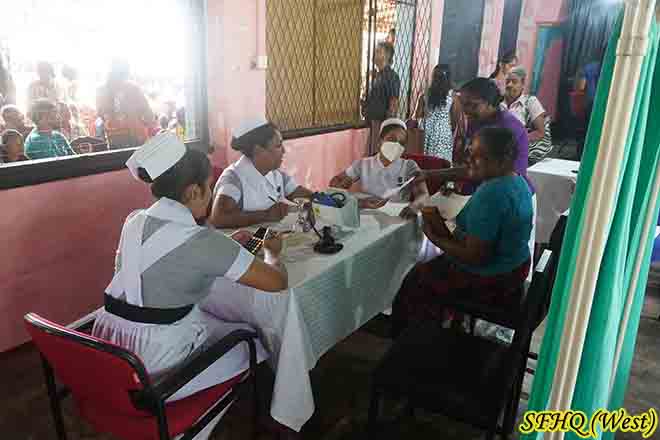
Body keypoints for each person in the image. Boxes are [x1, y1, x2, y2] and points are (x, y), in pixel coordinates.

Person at [92, 133, 285, 438]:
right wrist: (272, 252)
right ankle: (195, 428)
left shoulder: (134, 221)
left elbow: (151, 269)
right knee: (253, 341)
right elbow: (276, 282)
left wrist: (223, 251)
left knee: (213, 322)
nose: (211, 194)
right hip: (156, 361)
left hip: (109, 347)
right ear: (194, 190)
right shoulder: (203, 241)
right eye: (210, 187)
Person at [392, 127, 533, 335]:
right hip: (516, 266)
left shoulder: (492, 195)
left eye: (478, 157)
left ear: (502, 160)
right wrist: (429, 174)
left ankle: (417, 340)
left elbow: (475, 256)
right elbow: (468, 172)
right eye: (470, 153)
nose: (470, 160)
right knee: (429, 269)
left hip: (495, 277)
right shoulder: (516, 180)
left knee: (415, 281)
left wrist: (436, 239)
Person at [417, 77, 532, 195]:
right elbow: (470, 164)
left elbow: (476, 170)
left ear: (488, 102)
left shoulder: (506, 127)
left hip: (507, 193)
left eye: (472, 105)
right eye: (463, 104)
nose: (466, 110)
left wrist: (430, 174)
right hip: (485, 188)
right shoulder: (477, 121)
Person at [210, 117, 314, 228]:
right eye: (278, 145)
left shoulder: (275, 174)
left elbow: (298, 193)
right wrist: (266, 214)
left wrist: (320, 198)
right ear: (258, 150)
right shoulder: (233, 179)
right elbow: (218, 218)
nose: (284, 151)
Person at [329, 118, 429, 219]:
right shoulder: (363, 164)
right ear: (380, 141)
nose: (396, 145)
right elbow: (335, 182)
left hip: (398, 217)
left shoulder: (409, 166)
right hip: (367, 216)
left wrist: (414, 206)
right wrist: (341, 185)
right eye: (392, 139)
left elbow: (423, 194)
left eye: (401, 143)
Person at [96, 58, 154, 148]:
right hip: (136, 136)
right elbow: (149, 115)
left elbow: (100, 114)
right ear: (126, 72)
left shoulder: (102, 91)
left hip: (113, 138)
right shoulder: (133, 89)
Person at [503, 66, 552, 165]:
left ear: (522, 84)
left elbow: (540, 132)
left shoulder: (530, 102)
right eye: (507, 81)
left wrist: (514, 141)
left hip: (522, 151)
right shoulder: (499, 102)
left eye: (514, 82)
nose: (509, 85)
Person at [414, 64, 461, 163]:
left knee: (424, 160)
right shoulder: (453, 96)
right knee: (440, 162)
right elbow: (455, 120)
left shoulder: (424, 94)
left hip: (426, 131)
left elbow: (418, 116)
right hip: (443, 133)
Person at [362, 42, 401, 156]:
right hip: (374, 124)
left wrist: (387, 130)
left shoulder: (391, 76)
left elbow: (393, 103)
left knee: (380, 156)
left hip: (382, 125)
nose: (374, 54)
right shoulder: (378, 76)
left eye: (378, 51)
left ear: (386, 56)